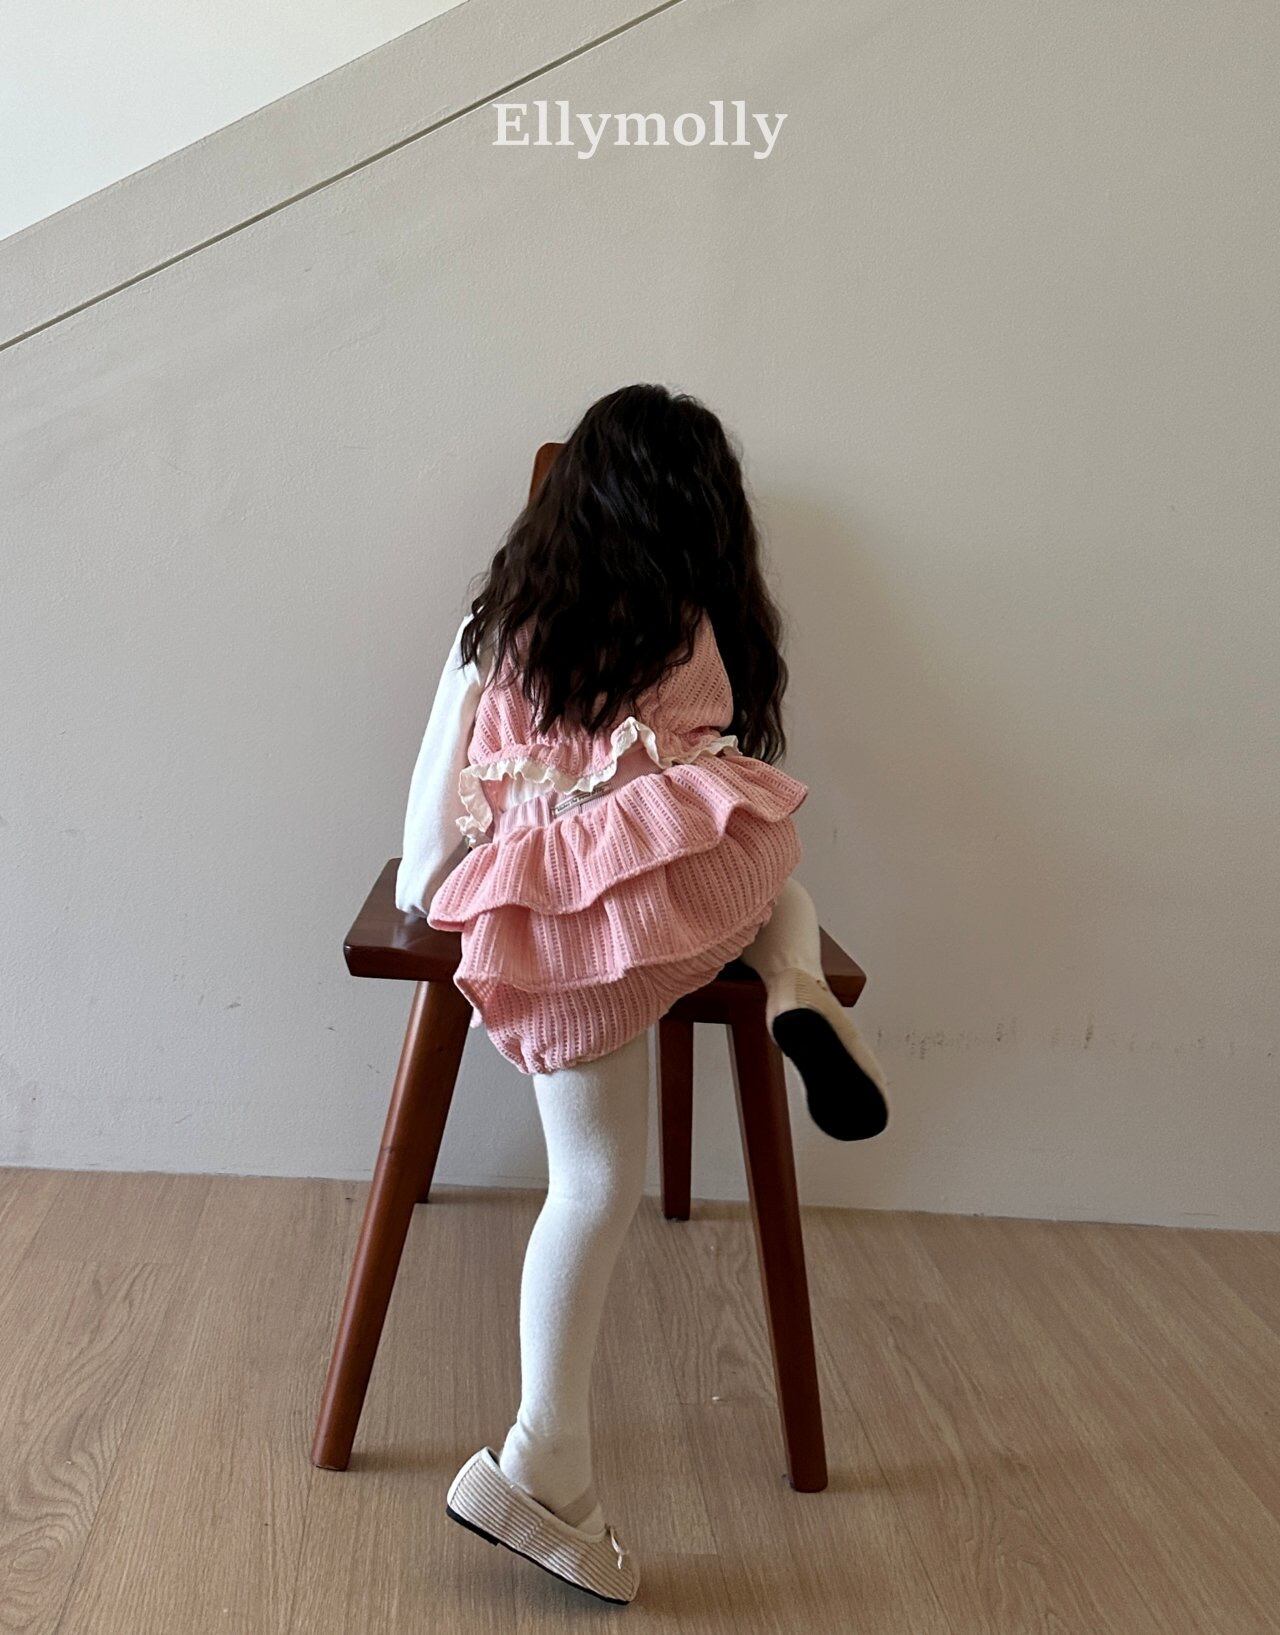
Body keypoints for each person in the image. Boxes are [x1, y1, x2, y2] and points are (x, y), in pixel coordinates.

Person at [394, 383, 888, 1606]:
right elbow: (713, 775)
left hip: (558, 925)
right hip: (683, 892)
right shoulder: (685, 626)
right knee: (772, 881)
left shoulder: (495, 631)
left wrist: (452, 886)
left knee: (589, 1182)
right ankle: (793, 992)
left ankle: (544, 1461)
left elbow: (427, 846)